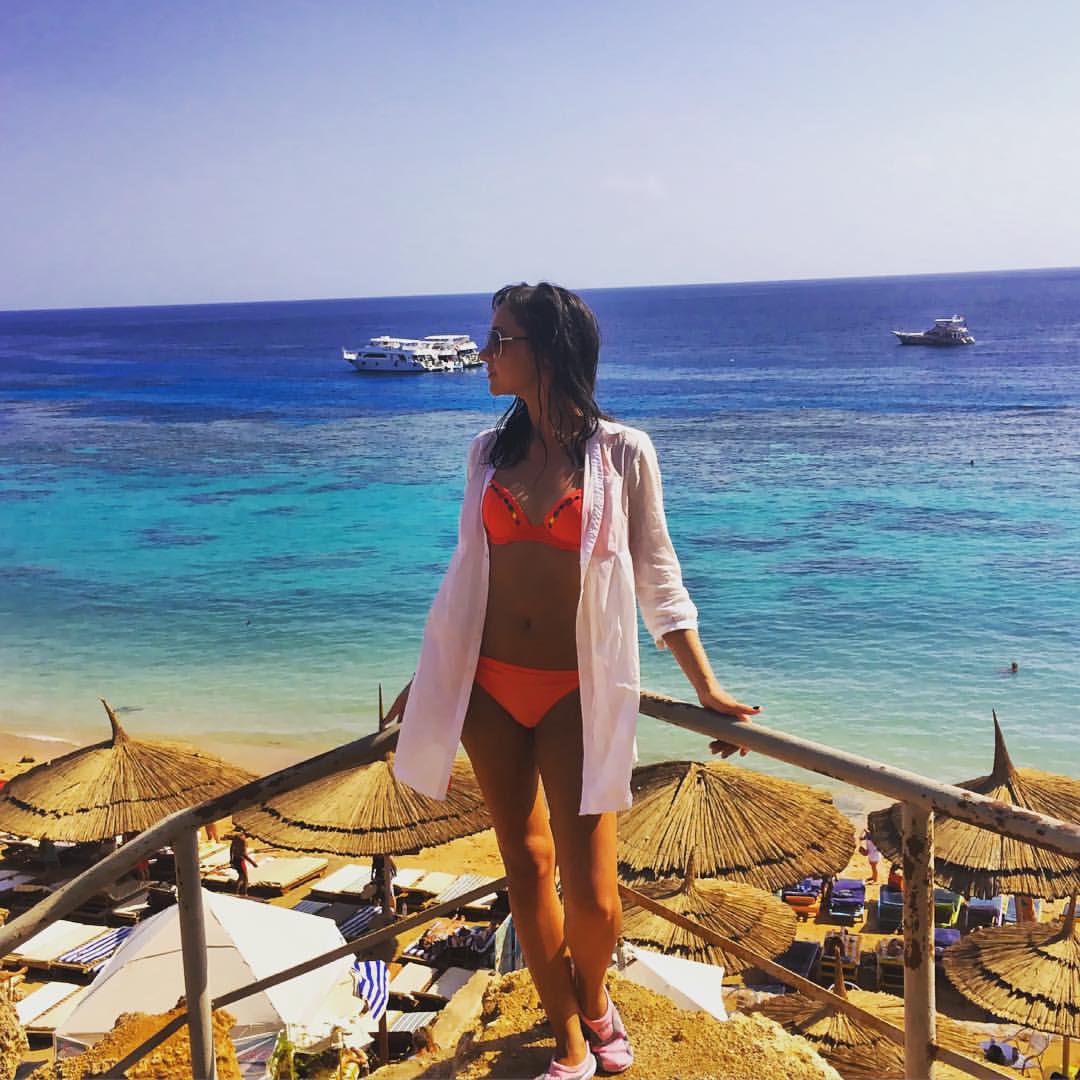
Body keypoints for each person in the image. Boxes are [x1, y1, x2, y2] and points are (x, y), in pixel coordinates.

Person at [389, 283, 760, 1080]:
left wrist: (705, 686)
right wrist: (429, 677)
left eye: (499, 340)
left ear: (549, 352)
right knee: (525, 867)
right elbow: (466, 574)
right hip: (488, 686)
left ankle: (594, 998)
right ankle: (567, 1035)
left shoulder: (624, 453)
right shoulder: (485, 454)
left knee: (593, 894)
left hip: (575, 690)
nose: (483, 354)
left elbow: (658, 575)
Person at [229, 828, 257, 896]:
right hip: (240, 861)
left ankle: (236, 892)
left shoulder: (236, 836)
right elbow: (244, 854)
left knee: (241, 877)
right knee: (245, 878)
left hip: (235, 859)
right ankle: (244, 893)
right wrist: (253, 863)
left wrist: (231, 859)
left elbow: (231, 848)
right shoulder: (243, 840)